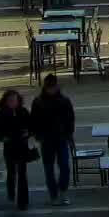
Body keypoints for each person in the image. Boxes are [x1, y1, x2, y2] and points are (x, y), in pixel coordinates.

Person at [31, 73, 75, 206]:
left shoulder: (64, 101)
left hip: (61, 138)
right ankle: (54, 194)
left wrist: (69, 134)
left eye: (53, 87)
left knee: (65, 167)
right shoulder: (38, 102)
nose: (52, 89)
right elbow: (34, 121)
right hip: (47, 139)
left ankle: (62, 190)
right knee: (49, 169)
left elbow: (70, 119)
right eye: (49, 87)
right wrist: (39, 136)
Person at [0, 88, 34, 210]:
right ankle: (11, 191)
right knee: (11, 172)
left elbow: (31, 125)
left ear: (18, 101)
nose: (12, 103)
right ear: (5, 101)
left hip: (21, 146)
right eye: (10, 100)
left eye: (14, 100)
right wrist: (2, 137)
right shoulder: (2, 114)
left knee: (22, 174)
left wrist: (28, 133)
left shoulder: (23, 111)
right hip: (10, 147)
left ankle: (23, 201)